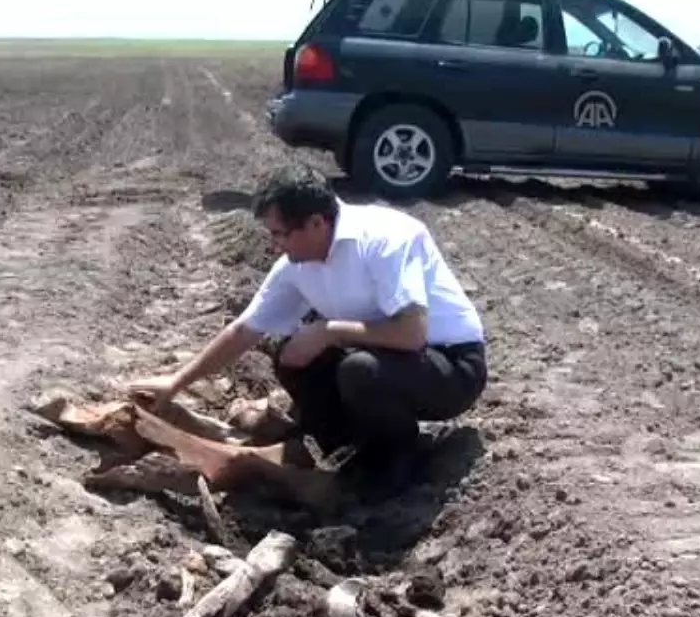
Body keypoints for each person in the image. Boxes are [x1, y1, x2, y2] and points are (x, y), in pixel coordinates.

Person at [128, 163, 487, 484]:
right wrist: (176, 383)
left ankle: (398, 462)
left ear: (317, 222)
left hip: (451, 366)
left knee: (359, 370)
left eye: (280, 234)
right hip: (391, 360)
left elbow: (412, 334)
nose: (274, 245)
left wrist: (331, 331)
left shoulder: (384, 239)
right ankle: (348, 449)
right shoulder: (297, 265)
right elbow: (244, 330)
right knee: (293, 356)